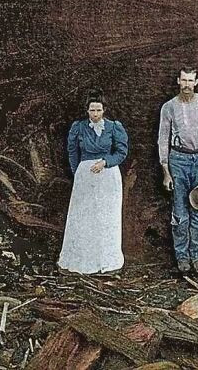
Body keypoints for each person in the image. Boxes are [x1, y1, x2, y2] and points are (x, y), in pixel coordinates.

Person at [58, 90, 128, 275]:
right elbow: (72, 152)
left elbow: (121, 152)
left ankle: (107, 260)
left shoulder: (114, 127)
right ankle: (82, 261)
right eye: (92, 110)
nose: (95, 114)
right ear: (87, 110)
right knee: (84, 218)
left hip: (108, 176)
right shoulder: (79, 127)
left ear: (104, 110)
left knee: (106, 219)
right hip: (86, 176)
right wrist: (79, 173)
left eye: (98, 110)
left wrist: (106, 162)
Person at [158, 67, 198, 274]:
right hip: (178, 161)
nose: (186, 85)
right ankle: (182, 257)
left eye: (190, 81)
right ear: (178, 81)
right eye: (183, 80)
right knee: (180, 212)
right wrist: (165, 170)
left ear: (196, 82)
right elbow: (162, 138)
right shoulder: (169, 107)